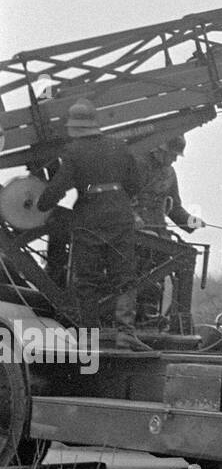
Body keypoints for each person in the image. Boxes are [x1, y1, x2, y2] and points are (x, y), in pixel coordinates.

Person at [35, 99, 149, 351]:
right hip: (120, 214)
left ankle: (88, 336)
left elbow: (59, 187)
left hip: (90, 216)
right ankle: (125, 333)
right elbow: (135, 184)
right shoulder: (119, 146)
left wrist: (42, 203)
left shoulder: (74, 151)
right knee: (125, 275)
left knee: (87, 279)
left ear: (73, 128)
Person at [133, 135, 204, 332]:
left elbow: (175, 207)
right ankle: (136, 317)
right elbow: (121, 197)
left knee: (156, 275)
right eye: (172, 155)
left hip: (158, 232)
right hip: (133, 232)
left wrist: (191, 222)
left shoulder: (169, 173)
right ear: (160, 149)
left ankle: (148, 316)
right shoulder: (136, 163)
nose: (174, 160)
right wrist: (133, 219)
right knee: (135, 273)